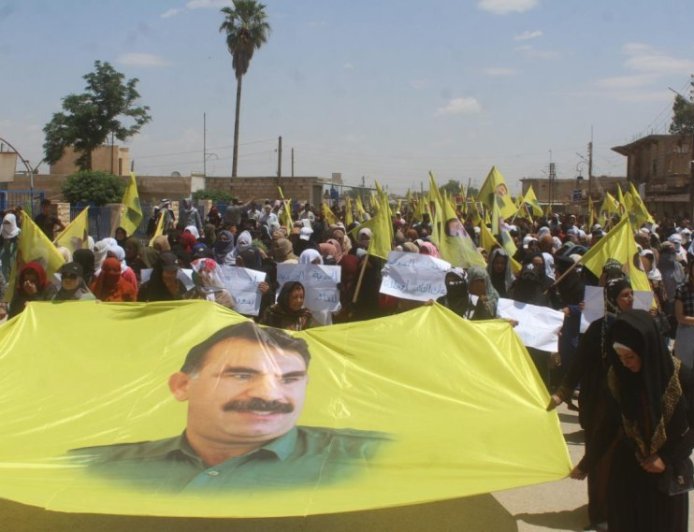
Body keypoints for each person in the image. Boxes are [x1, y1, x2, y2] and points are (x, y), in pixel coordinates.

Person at [70, 321, 389, 491]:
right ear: (182, 386)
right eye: (240, 375)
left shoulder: (368, 459)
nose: (269, 395)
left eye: (289, 379)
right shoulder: (92, 467)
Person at [571, 310, 694, 532]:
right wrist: (587, 463)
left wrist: (665, 458)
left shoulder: (681, 377)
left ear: (646, 350)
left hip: (667, 473)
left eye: (630, 357)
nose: (625, 364)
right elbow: (608, 425)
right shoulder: (618, 379)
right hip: (630, 469)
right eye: (620, 358)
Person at [549, 277, 634, 529]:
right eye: (624, 296)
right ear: (611, 300)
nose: (630, 299)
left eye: (631, 295)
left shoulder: (636, 325)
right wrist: (561, 393)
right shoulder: (597, 330)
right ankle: (599, 513)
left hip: (628, 404)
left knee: (626, 459)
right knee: (600, 459)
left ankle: (621, 509)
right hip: (599, 403)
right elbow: (579, 365)